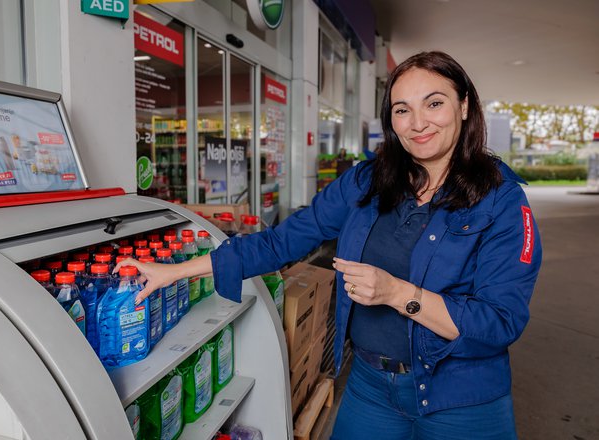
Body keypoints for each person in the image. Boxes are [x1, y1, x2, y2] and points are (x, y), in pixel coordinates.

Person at [117, 51, 542, 439]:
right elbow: (282, 241)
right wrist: (173, 271)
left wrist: (398, 294)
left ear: (464, 106)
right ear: (390, 120)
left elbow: (500, 321)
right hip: (372, 388)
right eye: (402, 109)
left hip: (464, 399)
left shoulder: (502, 201)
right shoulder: (367, 182)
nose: (418, 123)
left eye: (434, 103)